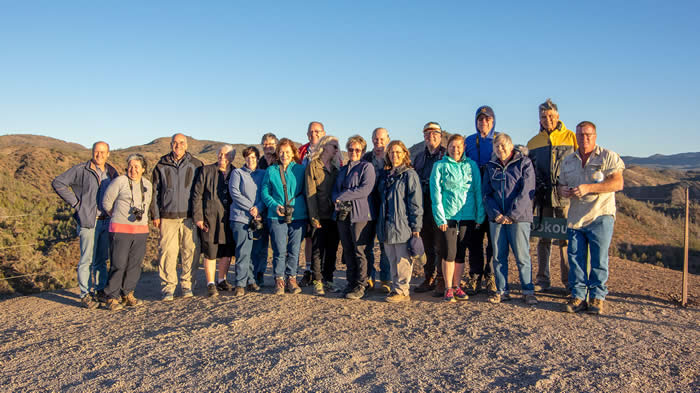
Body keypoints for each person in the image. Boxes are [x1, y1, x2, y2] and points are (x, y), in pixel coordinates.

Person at [558, 121, 624, 315]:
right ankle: (578, 296)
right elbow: (560, 185)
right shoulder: (568, 161)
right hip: (576, 218)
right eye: (580, 135)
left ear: (595, 136)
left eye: (588, 135)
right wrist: (562, 191)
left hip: (600, 215)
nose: (584, 138)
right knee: (575, 258)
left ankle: (597, 296)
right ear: (576, 137)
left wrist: (589, 188)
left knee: (599, 258)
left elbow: (617, 183)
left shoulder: (608, 157)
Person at [52, 141, 119, 308]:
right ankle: (85, 294)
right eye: (97, 152)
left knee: (101, 260)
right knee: (86, 259)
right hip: (88, 221)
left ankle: (100, 290)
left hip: (106, 221)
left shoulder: (112, 172)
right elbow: (58, 182)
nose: (100, 155)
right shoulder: (81, 169)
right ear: (92, 152)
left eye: (103, 152)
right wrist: (77, 204)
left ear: (108, 154)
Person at [526, 99, 577, 293]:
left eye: (550, 116)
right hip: (544, 197)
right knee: (544, 238)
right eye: (543, 116)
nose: (547, 119)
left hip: (566, 198)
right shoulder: (533, 142)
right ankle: (543, 280)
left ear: (557, 116)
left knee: (566, 238)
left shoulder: (571, 137)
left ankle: (569, 281)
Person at [483, 133, 538, 305]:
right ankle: (502, 290)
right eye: (497, 146)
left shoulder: (524, 163)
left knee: (522, 256)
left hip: (519, 218)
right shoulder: (491, 166)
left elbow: (527, 191)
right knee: (499, 256)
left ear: (511, 144)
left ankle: (528, 291)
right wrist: (496, 214)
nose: (500, 149)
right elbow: (486, 193)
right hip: (497, 218)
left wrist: (512, 215)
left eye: (503, 145)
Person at [431, 134, 485, 302]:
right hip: (448, 216)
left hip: (468, 216)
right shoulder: (440, 166)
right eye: (452, 146)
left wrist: (479, 215)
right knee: (449, 252)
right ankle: (448, 288)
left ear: (464, 148)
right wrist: (440, 218)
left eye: (459, 146)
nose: (455, 150)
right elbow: (436, 193)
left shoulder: (472, 166)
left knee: (461, 253)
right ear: (447, 148)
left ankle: (457, 286)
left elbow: (477, 191)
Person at [150, 133, 203, 301]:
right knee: (167, 252)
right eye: (175, 143)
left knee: (191, 251)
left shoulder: (196, 164)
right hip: (167, 216)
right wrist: (155, 214)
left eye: (181, 143)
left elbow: (201, 192)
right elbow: (154, 192)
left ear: (186, 145)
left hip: (190, 216)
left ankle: (187, 284)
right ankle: (168, 287)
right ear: (170, 144)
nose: (178, 146)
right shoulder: (161, 165)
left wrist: (199, 215)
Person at [100, 154, 152, 311]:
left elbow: (147, 205)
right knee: (119, 263)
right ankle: (111, 296)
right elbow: (106, 203)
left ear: (143, 169)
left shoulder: (148, 185)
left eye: (137, 166)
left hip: (141, 230)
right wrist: (117, 216)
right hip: (120, 229)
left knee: (134, 264)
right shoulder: (120, 182)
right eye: (130, 166)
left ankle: (127, 293)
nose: (133, 169)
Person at [376, 140, 423, 303]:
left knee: (403, 260)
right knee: (392, 259)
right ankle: (395, 288)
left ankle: (403, 290)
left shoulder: (409, 174)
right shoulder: (385, 175)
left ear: (404, 154)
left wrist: (416, 226)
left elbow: (415, 203)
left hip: (402, 224)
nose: (394, 155)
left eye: (398, 152)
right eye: (391, 152)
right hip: (386, 224)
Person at [261, 138, 308, 295]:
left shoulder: (300, 170)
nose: (284, 155)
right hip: (276, 215)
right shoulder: (271, 170)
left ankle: (292, 278)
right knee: (279, 249)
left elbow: (306, 191)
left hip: (298, 215)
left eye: (287, 152)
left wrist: (297, 205)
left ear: (293, 153)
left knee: (294, 249)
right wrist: (275, 206)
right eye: (281, 152)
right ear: (277, 153)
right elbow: (265, 192)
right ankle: (279, 279)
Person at [333, 135, 376, 300]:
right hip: (343, 214)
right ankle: (350, 282)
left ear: (363, 151)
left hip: (361, 215)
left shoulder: (367, 167)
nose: (354, 152)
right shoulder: (343, 169)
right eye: (351, 149)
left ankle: (361, 284)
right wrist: (336, 198)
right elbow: (335, 190)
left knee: (360, 250)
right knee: (348, 250)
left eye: (357, 149)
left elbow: (365, 189)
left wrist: (342, 196)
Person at [192, 145, 236, 297]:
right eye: (220, 154)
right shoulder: (206, 171)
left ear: (232, 157)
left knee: (226, 251)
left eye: (226, 155)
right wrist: (198, 217)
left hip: (229, 219)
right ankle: (210, 283)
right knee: (210, 251)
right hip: (209, 219)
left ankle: (221, 280)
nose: (222, 157)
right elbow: (197, 195)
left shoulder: (236, 172)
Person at [464, 106, 498, 295]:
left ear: (493, 121)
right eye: (480, 120)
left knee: (493, 240)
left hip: (494, 196)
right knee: (474, 239)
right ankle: (475, 275)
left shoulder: (499, 139)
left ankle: (491, 275)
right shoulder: (469, 141)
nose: (483, 123)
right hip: (474, 197)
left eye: (487, 119)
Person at [412, 122, 447, 296]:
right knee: (426, 243)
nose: (430, 136)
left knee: (440, 244)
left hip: (440, 204)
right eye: (427, 133)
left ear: (440, 135)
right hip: (422, 204)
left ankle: (441, 279)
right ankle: (428, 277)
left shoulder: (445, 154)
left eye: (434, 133)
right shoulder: (419, 157)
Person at [305, 135, 341, 295]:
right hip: (319, 216)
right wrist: (314, 217)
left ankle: (329, 280)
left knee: (332, 249)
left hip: (334, 216)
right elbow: (310, 194)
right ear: (325, 146)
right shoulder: (313, 166)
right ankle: (317, 281)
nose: (337, 149)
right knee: (318, 250)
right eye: (334, 146)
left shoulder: (336, 169)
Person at [229, 146, 267, 296]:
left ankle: (251, 280)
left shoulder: (264, 174)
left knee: (255, 252)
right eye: (248, 157)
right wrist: (251, 208)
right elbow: (235, 193)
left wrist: (258, 208)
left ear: (258, 158)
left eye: (253, 157)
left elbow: (266, 192)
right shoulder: (237, 173)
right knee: (243, 251)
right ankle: (240, 283)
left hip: (258, 218)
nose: (250, 160)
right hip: (241, 217)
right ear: (244, 158)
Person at [361, 127, 392, 293]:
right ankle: (369, 277)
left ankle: (386, 279)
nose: (378, 143)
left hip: (387, 207)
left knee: (385, 245)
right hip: (368, 206)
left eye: (381, 139)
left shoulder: (392, 158)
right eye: (375, 140)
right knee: (367, 244)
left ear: (387, 139)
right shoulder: (366, 159)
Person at [299, 122, 326, 286]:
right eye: (311, 132)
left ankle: (321, 270)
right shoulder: (301, 151)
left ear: (323, 133)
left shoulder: (330, 150)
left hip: (324, 200)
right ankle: (308, 270)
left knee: (323, 237)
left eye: (317, 131)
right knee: (309, 237)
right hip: (305, 199)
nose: (314, 134)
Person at [254, 133, 278, 285]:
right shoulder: (258, 163)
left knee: (278, 246)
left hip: (277, 210)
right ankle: (259, 274)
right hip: (261, 212)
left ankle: (278, 276)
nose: (268, 147)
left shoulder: (280, 163)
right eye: (265, 144)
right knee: (260, 246)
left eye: (271, 144)